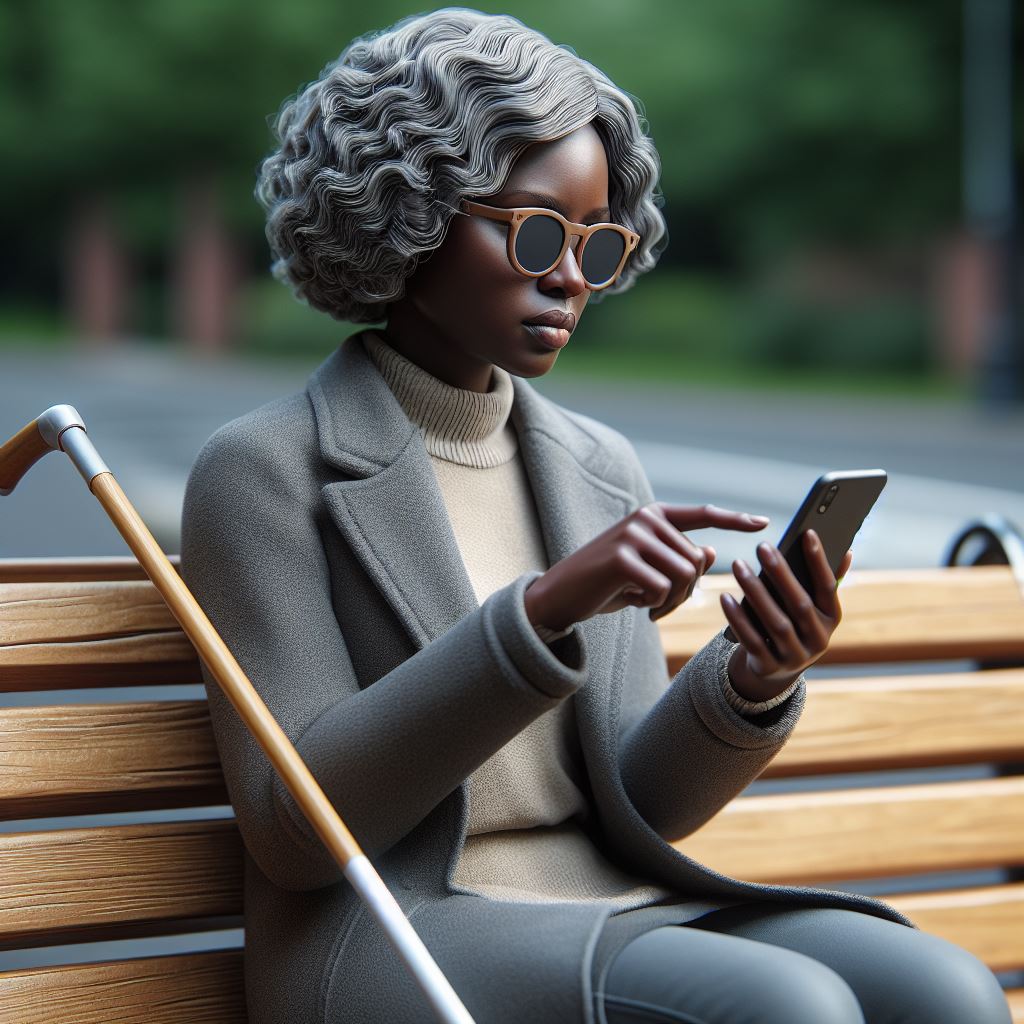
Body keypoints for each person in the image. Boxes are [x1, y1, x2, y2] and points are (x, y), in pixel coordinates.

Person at [179, 9, 1012, 1023]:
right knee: (784, 1007)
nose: (570, 275)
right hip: (398, 928)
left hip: (610, 898)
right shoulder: (266, 472)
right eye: (534, 230)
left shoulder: (590, 465)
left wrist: (750, 681)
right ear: (409, 212)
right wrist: (539, 615)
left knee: (945, 987)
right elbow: (297, 832)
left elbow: (639, 808)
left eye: (596, 243)